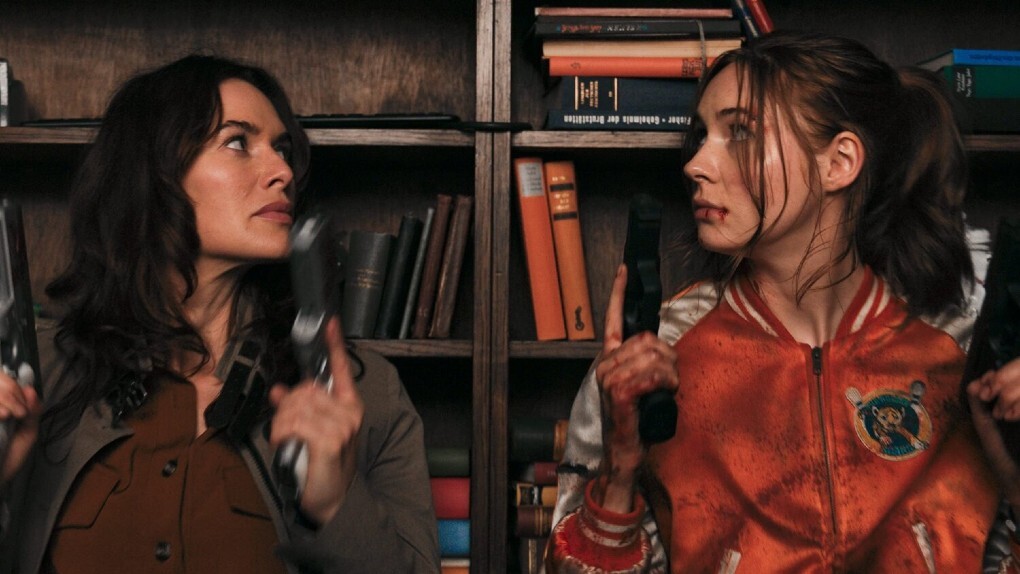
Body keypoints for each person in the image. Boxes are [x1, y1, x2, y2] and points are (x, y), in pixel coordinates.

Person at [546, 31, 1020, 573]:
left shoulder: (958, 355)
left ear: (839, 162)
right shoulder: (657, 352)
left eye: (739, 132)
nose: (695, 164)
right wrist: (619, 471)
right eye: (701, 136)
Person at [0, 55, 440, 573]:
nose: (282, 173)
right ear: (153, 173)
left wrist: (337, 505)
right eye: (237, 143)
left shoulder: (366, 394)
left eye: (282, 150)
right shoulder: (38, 380)